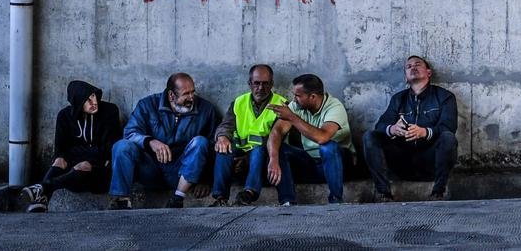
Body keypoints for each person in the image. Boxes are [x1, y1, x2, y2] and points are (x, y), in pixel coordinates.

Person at [108, 72, 219, 209]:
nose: (191, 97)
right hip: (150, 169)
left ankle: (177, 199)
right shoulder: (147, 105)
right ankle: (121, 200)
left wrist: (205, 180)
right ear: (171, 95)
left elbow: (212, 147)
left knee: (200, 142)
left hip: (181, 173)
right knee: (122, 146)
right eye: (186, 94)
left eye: (192, 92)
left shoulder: (206, 109)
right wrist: (150, 142)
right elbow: (129, 133)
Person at [363, 55, 458, 201]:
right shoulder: (398, 99)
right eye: (408, 67)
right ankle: (383, 194)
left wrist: (425, 132)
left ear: (429, 72)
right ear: (405, 77)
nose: (413, 67)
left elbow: (449, 126)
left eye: (417, 64)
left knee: (448, 137)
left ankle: (438, 193)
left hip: (430, 161)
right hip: (401, 161)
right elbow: (380, 125)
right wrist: (393, 129)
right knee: (370, 136)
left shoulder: (445, 97)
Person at [20, 80, 121, 213]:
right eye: (87, 100)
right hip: (72, 175)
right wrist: (81, 155)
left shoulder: (110, 111)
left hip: (101, 174)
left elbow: (107, 150)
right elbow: (60, 151)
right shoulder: (64, 116)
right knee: (59, 161)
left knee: (84, 164)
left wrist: (76, 154)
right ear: (77, 102)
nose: (94, 102)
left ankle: (43, 187)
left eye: (93, 96)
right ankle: (43, 199)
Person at [266, 73, 353, 205]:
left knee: (328, 146)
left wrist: (292, 117)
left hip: (338, 165)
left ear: (312, 97)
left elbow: (322, 137)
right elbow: (277, 131)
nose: (294, 99)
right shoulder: (297, 106)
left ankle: (336, 200)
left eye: (298, 96)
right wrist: (273, 159)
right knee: (279, 149)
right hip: (312, 163)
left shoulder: (334, 107)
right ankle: (287, 201)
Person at [209, 64, 285, 206]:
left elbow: (277, 137)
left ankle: (248, 193)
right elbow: (226, 125)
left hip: (265, 155)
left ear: (272, 84)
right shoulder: (239, 102)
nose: (261, 88)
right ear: (249, 83)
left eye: (265, 83)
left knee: (258, 150)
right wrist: (222, 137)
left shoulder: (281, 104)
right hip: (239, 152)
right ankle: (220, 198)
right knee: (223, 148)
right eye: (256, 83)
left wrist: (246, 158)